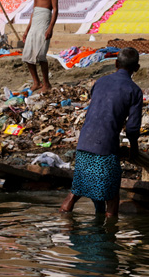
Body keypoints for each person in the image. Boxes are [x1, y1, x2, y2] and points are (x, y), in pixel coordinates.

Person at [59, 47, 143, 218]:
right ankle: (108, 237)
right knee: (111, 196)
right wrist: (134, 149)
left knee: (75, 191)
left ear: (115, 63)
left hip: (84, 142)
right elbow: (133, 128)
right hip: (105, 147)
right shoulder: (134, 91)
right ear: (137, 68)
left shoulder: (100, 82)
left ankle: (64, 225)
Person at [21, 0, 59, 93]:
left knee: (41, 55)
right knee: (27, 54)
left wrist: (50, 28)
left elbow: (55, 9)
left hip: (45, 22)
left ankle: (46, 84)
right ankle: (36, 82)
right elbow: (34, 11)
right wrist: (26, 30)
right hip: (35, 21)